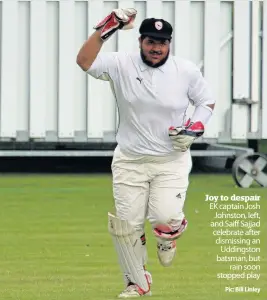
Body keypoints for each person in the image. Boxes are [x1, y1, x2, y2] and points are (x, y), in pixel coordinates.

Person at [76, 8, 215, 298]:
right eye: (151, 41)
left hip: (170, 159)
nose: (156, 48)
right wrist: (107, 27)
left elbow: (206, 101)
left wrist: (196, 125)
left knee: (164, 217)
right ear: (140, 41)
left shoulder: (185, 71)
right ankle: (137, 283)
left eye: (162, 42)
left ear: (169, 44)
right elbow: (84, 61)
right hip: (130, 159)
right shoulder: (120, 63)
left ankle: (169, 233)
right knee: (126, 227)